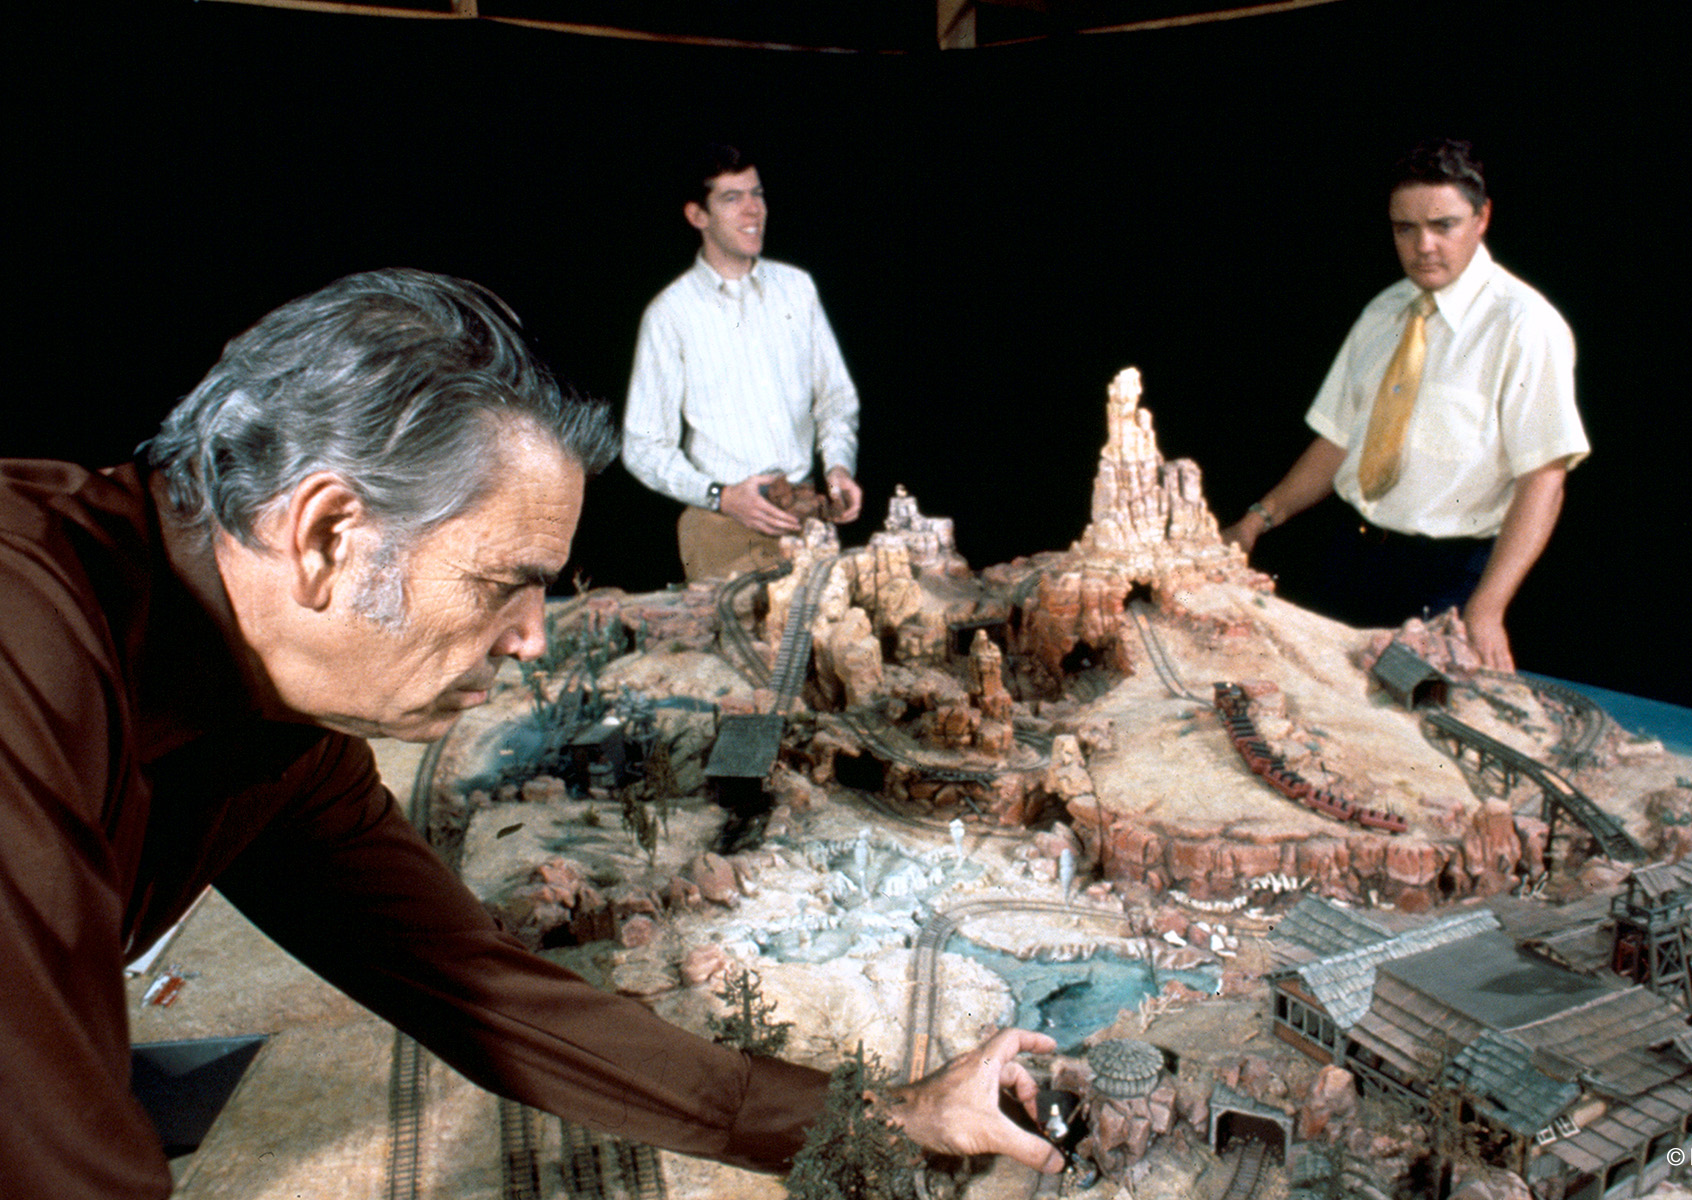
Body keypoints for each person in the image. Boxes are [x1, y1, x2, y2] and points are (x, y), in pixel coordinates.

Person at [0, 269, 1061, 1199]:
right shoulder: (23, 640)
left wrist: (887, 1117)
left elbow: (496, 998)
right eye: (504, 587)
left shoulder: (275, 731)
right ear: (326, 534)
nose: (530, 642)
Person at [1222, 139, 1589, 670]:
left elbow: (1545, 480)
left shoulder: (1525, 326)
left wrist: (1487, 608)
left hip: (1447, 581)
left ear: (1483, 218)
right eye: (1405, 228)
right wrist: (1259, 519)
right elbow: (1339, 440)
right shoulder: (1385, 311)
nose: (1424, 247)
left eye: (1444, 225)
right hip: (1351, 559)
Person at [622, 143, 863, 581]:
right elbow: (643, 446)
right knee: (735, 650)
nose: (753, 210)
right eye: (732, 198)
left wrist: (838, 468)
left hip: (805, 515)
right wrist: (722, 496)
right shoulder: (670, 313)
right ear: (698, 216)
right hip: (719, 528)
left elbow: (835, 398)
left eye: (758, 194)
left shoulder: (797, 288)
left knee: (823, 645)